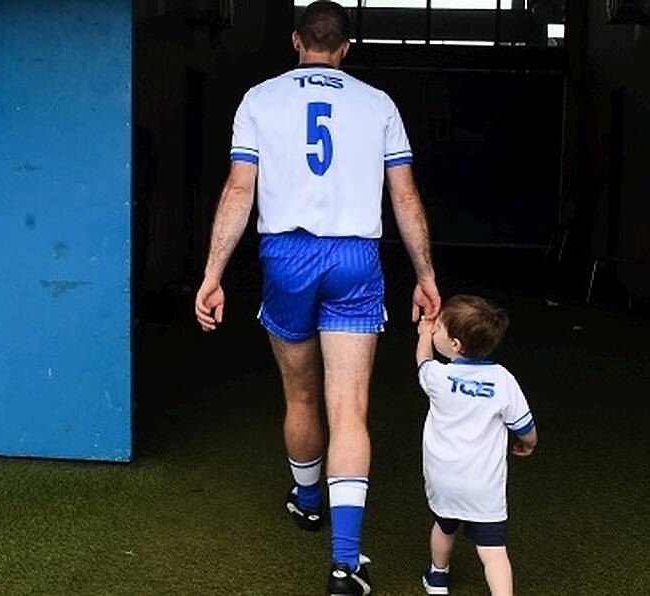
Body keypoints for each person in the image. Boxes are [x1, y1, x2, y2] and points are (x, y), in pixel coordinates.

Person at [194, 2, 440, 594]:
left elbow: (238, 188)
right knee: (349, 408)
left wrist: (212, 273)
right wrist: (425, 273)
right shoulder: (378, 103)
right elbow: (404, 198)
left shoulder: (258, 98)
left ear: (296, 41)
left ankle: (307, 501)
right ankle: (345, 564)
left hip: (287, 256)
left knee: (300, 393)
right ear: (346, 47)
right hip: (356, 257)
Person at [415, 295, 538, 596]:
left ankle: (438, 578)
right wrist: (529, 444)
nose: (433, 330)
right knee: (494, 552)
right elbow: (525, 427)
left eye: (439, 326)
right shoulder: (503, 380)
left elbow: (423, 362)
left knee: (444, 527)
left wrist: (421, 334)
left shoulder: (438, 376)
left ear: (455, 344)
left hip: (444, 479)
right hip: (484, 487)